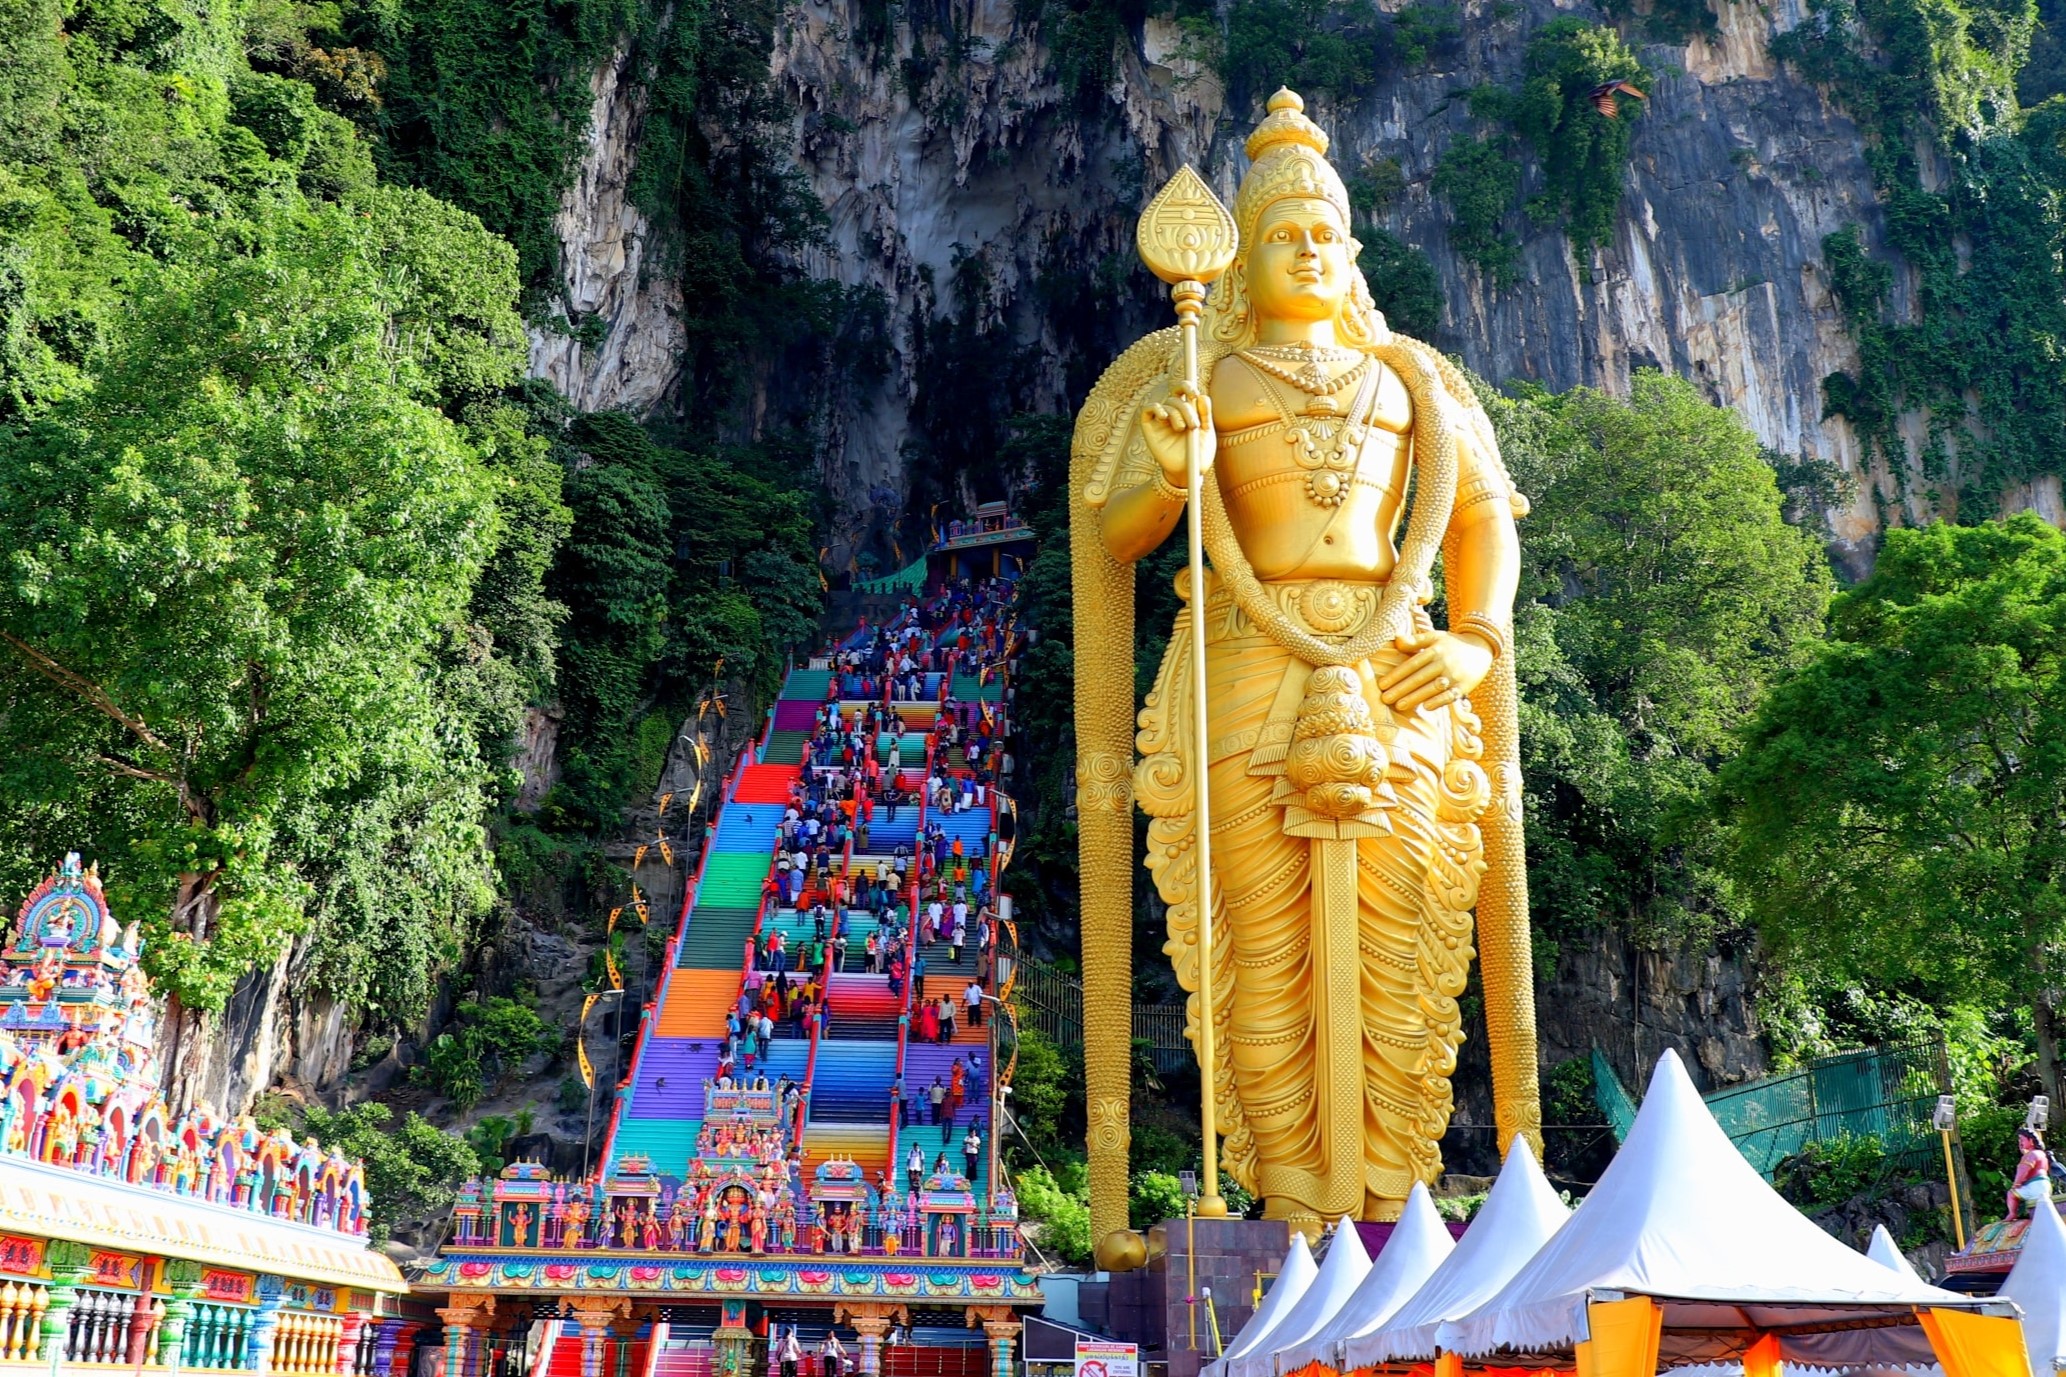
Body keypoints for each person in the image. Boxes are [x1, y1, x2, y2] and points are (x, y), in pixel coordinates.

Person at [2010, 1127, 2054, 1218]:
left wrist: (2017, 1183)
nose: (2020, 1143)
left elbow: (2023, 1170)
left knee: (2011, 1194)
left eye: (2022, 1140)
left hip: (2035, 1186)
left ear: (2031, 1141)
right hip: (2046, 1185)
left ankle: (2012, 1214)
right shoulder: (2041, 1154)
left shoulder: (2031, 1154)